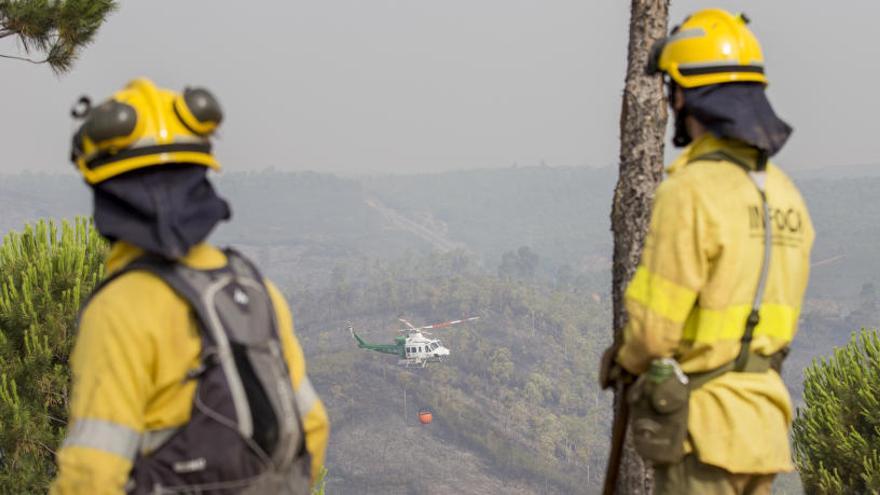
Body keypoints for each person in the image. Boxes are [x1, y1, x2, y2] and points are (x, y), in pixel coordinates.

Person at [51, 78, 329, 494]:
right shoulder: (255, 289)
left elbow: (92, 475)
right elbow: (312, 429)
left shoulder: (119, 309)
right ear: (201, 173)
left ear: (102, 186)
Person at [600, 9, 813, 495]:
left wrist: (624, 358)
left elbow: (654, 332)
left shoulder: (691, 191)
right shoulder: (786, 198)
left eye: (674, 88)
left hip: (704, 428)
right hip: (764, 428)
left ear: (688, 96)